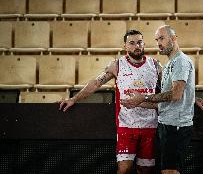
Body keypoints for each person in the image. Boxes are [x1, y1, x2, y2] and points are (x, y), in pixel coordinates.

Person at [59, 30, 160, 174]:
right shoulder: (117, 65)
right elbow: (96, 83)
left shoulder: (155, 65)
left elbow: (173, 88)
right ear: (125, 46)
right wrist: (74, 98)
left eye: (139, 42)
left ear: (144, 44)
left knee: (145, 170)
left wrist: (193, 98)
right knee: (124, 169)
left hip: (150, 125)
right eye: (132, 43)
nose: (136, 46)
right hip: (126, 125)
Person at [121, 25, 203, 174]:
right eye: (157, 40)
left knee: (170, 172)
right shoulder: (170, 63)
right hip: (166, 125)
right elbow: (166, 99)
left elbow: (176, 94)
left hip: (176, 127)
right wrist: (137, 102)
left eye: (162, 38)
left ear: (174, 38)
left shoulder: (180, 62)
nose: (159, 43)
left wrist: (143, 97)